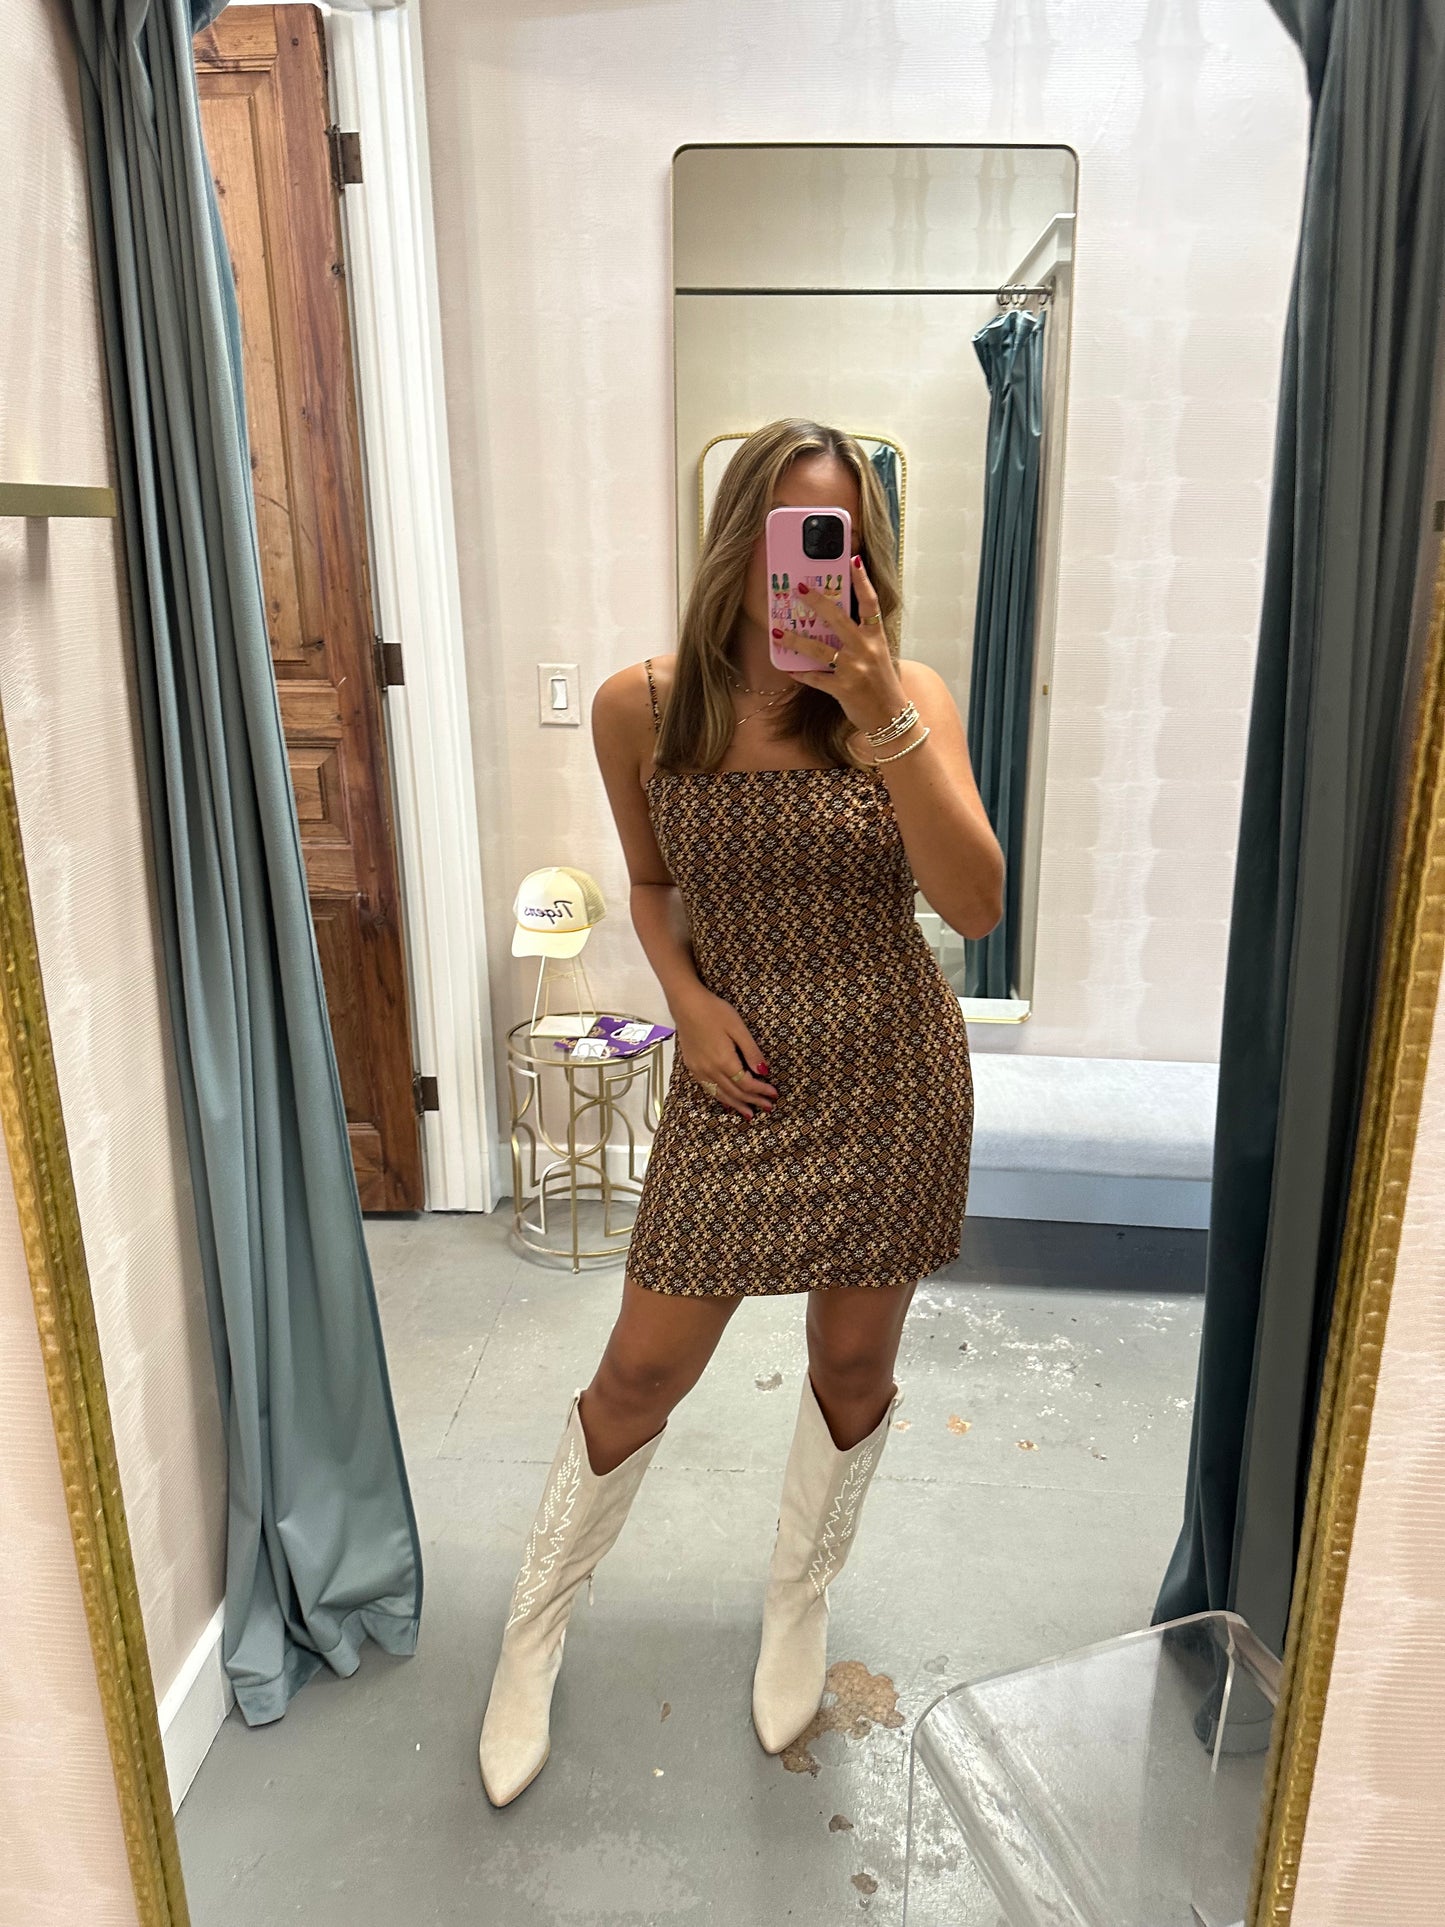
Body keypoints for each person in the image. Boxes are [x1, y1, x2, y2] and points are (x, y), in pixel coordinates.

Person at [479, 417, 1005, 1806]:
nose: (812, 570)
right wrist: (685, 1001)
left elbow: (973, 906)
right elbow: (655, 885)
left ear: (866, 560)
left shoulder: (906, 698)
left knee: (852, 1365)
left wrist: (881, 707)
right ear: (739, 546)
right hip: (735, 1080)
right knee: (639, 1371)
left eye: (839, 543)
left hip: (891, 1075)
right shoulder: (642, 708)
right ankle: (533, 1631)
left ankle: (797, 1603)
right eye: (791, 538)